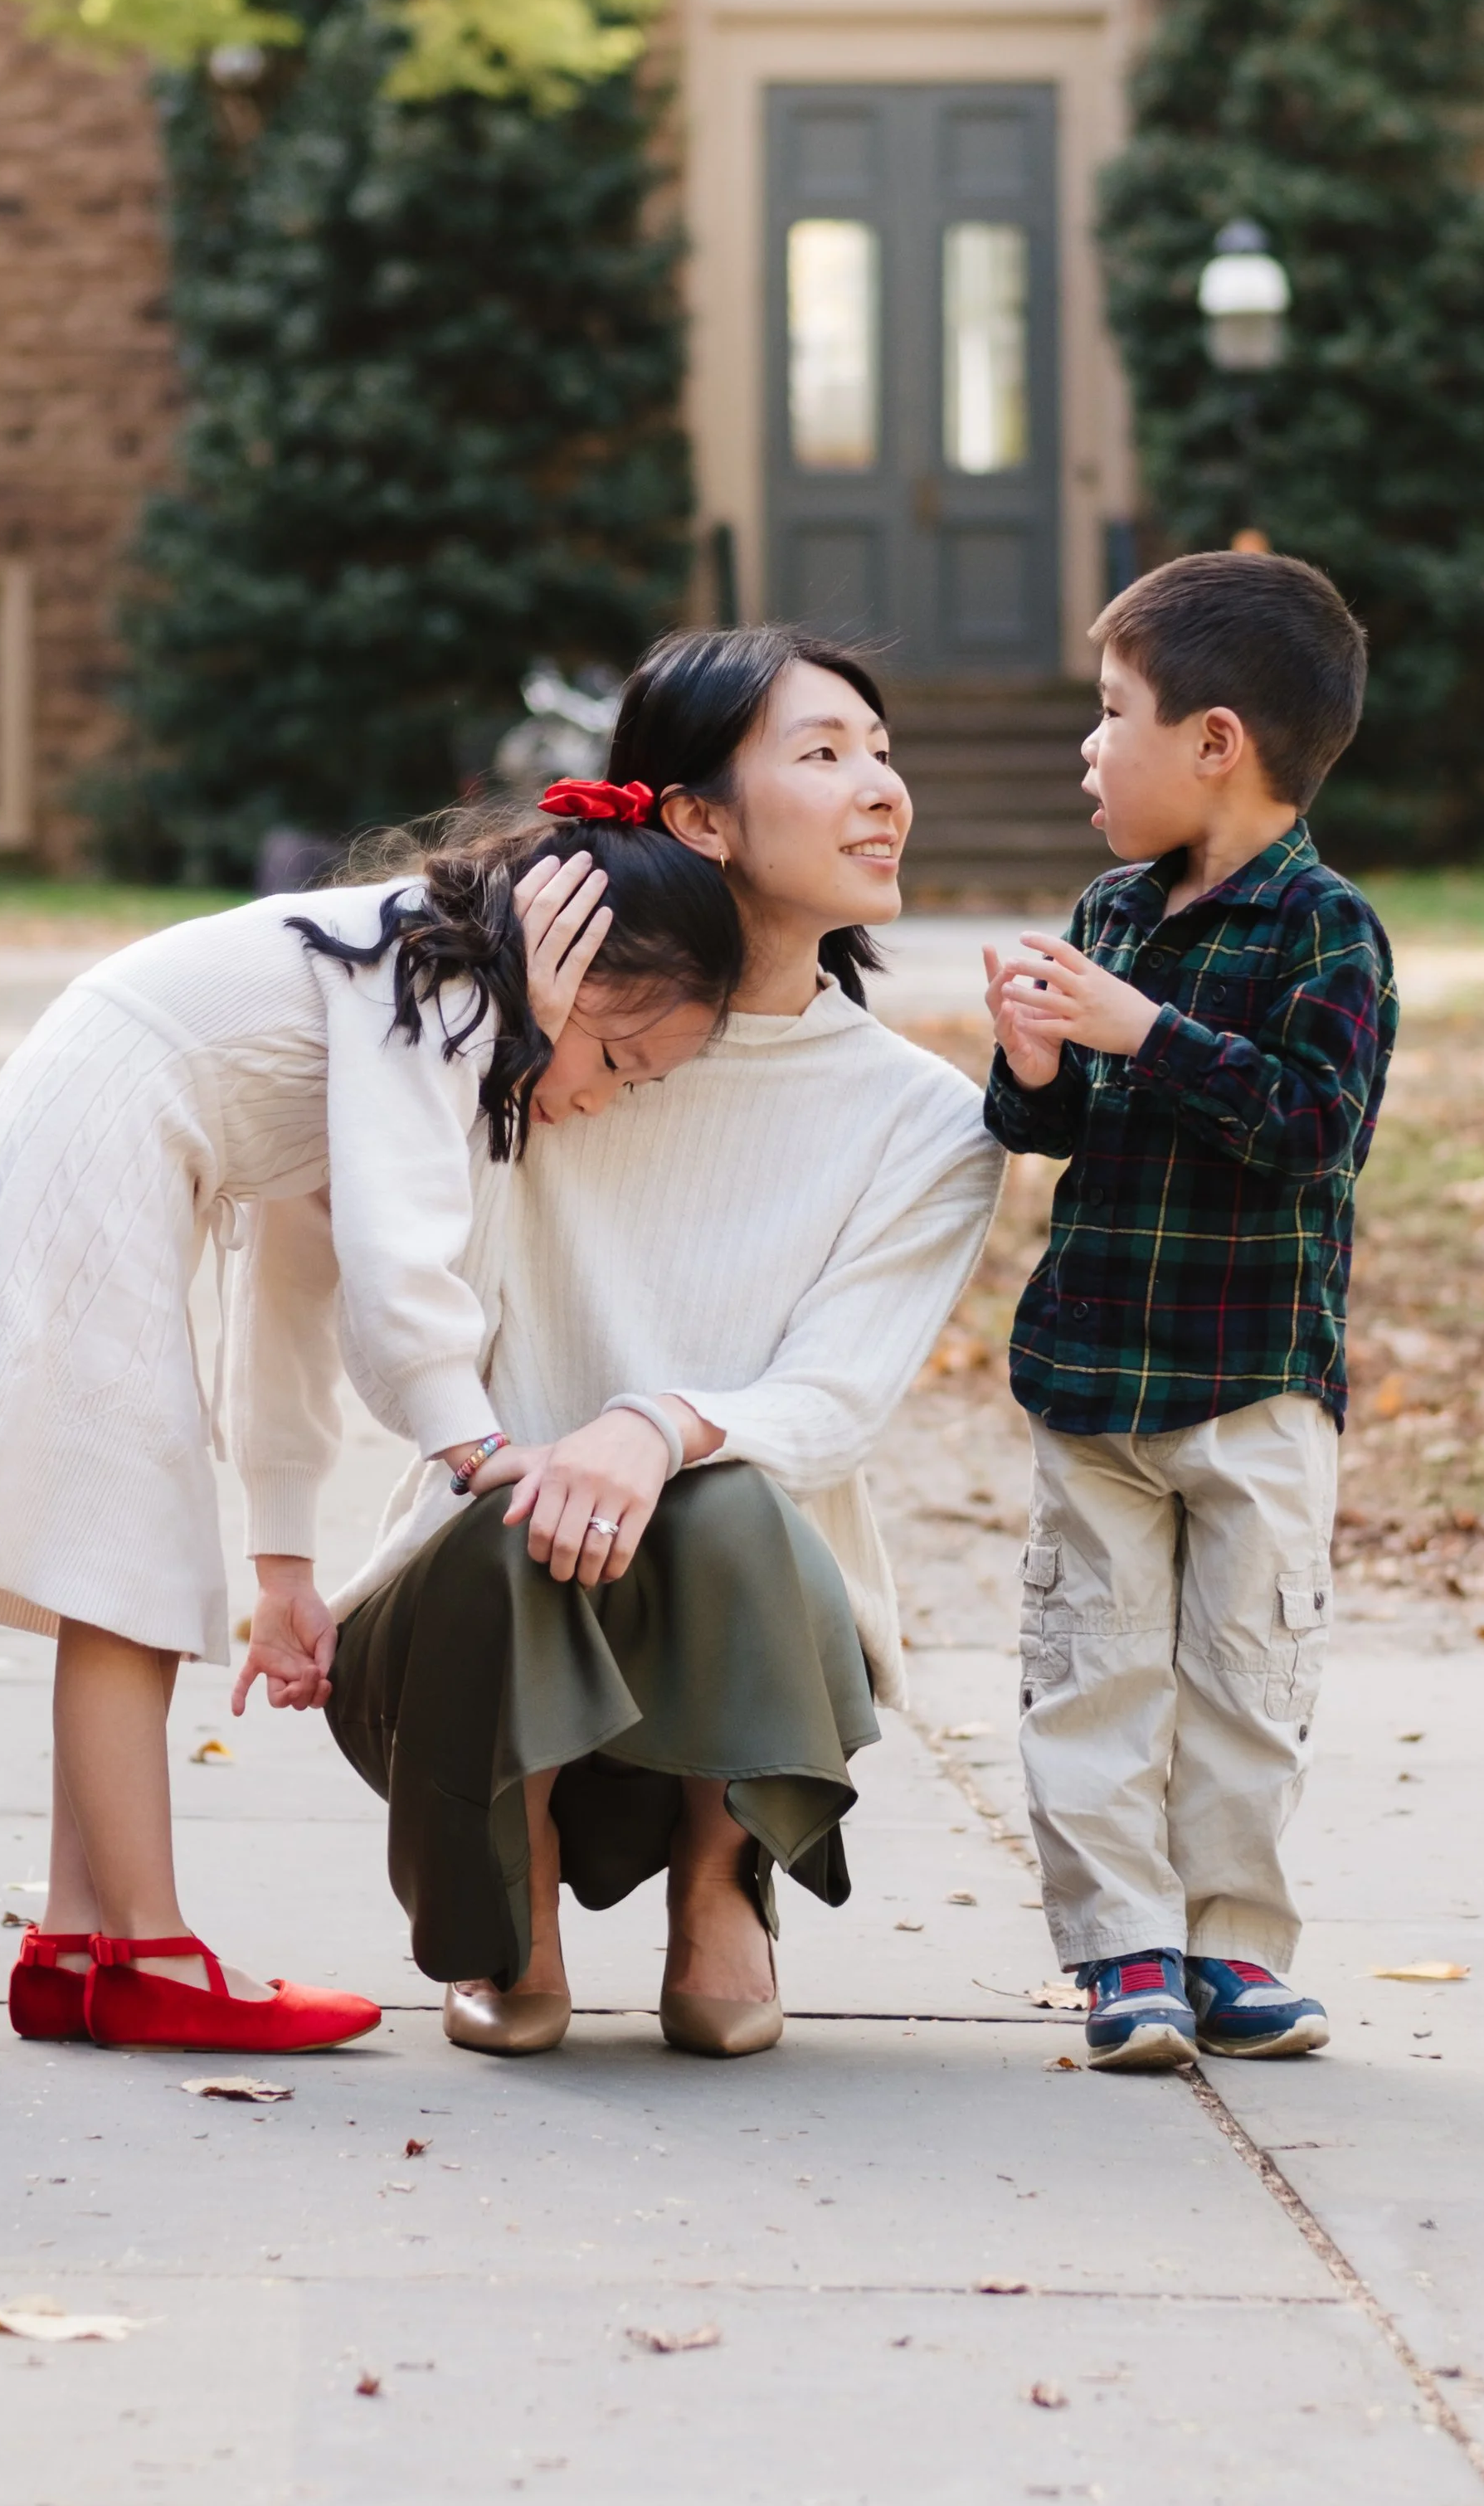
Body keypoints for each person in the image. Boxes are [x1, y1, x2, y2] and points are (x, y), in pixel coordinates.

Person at [0, 803, 743, 2054]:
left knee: (124, 1555)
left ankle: (76, 1939)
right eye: (622, 1060)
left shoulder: (413, 980)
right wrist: (477, 1447)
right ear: (571, 972)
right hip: (98, 1143)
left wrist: (282, 1561)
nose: (605, 1100)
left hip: (89, 1130)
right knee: (123, 1566)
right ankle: (144, 1950)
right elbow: (395, 1255)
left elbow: (291, 1282)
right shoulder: (439, 985)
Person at [261, 627, 1004, 2059]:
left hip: (752, 1643)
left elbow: (835, 1403)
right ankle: (513, 1901)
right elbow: (403, 1299)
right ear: (697, 817)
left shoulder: (922, 1116)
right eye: (826, 753)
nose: (882, 788)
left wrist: (651, 1426)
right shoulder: (545, 1044)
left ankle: (726, 1890)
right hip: (482, 1626)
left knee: (722, 1496)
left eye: (883, 750)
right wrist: (511, 1062)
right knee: (514, 1511)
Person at [981, 551, 1397, 2070]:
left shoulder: (1324, 930)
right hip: (1094, 1370)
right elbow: (1051, 1133)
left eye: (1112, 717)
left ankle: (1233, 1947)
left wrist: (1145, 1029)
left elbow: (1311, 1126)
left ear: (1214, 741)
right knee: (1094, 1666)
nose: (1088, 752)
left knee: (1244, 1674)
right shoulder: (1113, 907)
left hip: (1256, 1379)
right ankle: (1123, 1952)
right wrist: (1034, 1060)